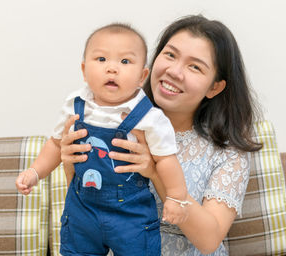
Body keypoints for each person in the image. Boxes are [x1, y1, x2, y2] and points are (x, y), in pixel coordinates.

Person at [60, 15, 262, 255]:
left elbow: (209, 241)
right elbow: (89, 203)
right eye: (170, 55)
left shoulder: (228, 150)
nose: (174, 71)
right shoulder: (105, 118)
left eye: (195, 66)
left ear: (214, 87)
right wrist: (69, 161)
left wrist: (156, 172)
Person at [16, 23, 190, 255]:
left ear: (142, 76)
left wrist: (176, 198)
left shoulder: (149, 117)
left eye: (125, 61)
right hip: (82, 209)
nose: (112, 69)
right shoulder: (75, 104)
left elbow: (166, 160)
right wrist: (35, 172)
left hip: (130, 213)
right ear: (84, 70)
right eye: (101, 59)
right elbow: (56, 143)